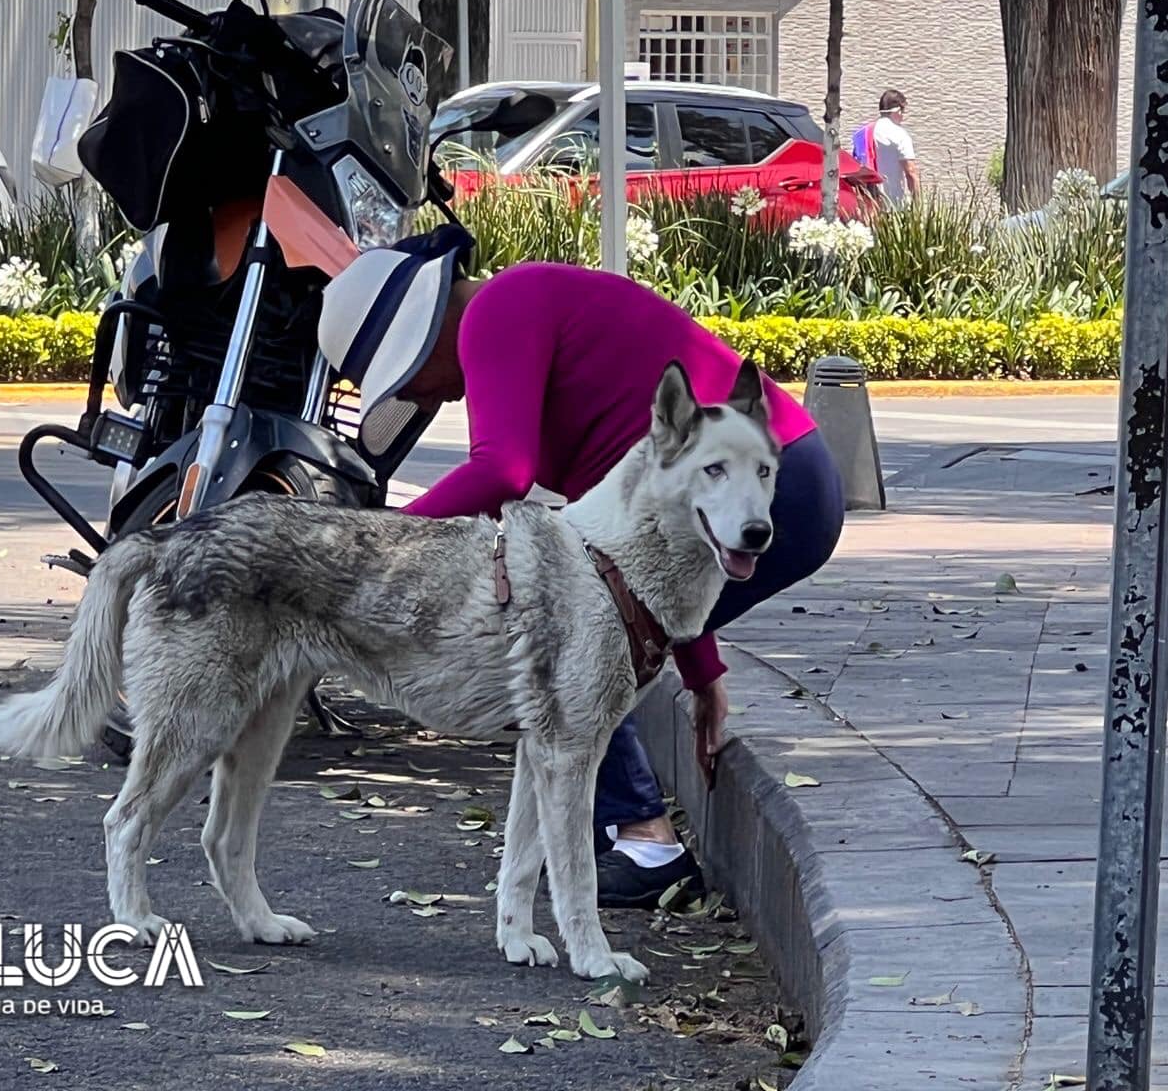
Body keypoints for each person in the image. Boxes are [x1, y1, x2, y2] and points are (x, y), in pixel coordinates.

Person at [316, 226, 845, 906]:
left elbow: (502, 470)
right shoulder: (520, 304)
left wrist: (374, 546)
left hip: (770, 484)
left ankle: (645, 841)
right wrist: (702, 672)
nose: (422, 401)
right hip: (785, 478)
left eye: (407, 383)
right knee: (586, 625)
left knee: (574, 646)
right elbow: (653, 565)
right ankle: (613, 831)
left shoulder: (497, 310)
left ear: (419, 335)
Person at [871, 89, 920, 205]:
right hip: (894, 206)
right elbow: (911, 172)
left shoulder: (863, 133)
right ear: (897, 110)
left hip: (869, 206)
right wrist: (918, 206)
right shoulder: (899, 134)